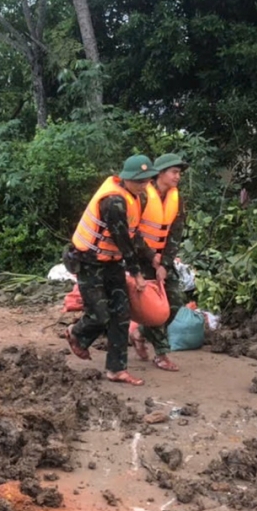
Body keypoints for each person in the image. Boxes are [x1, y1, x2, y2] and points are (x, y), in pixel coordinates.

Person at [64, 155, 157, 386]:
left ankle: (116, 369)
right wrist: (136, 274)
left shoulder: (138, 198)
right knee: (100, 314)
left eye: (146, 180)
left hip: (112, 262)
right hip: (89, 261)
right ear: (125, 178)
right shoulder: (114, 201)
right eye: (138, 181)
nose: (143, 185)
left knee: (121, 314)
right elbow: (123, 239)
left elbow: (133, 235)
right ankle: (77, 333)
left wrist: (151, 257)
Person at [130, 153, 189, 372]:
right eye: (174, 172)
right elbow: (132, 231)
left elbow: (175, 233)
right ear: (161, 173)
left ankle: (139, 333)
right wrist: (150, 257)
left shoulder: (177, 198)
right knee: (153, 307)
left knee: (175, 301)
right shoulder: (142, 195)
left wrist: (164, 263)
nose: (178, 177)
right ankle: (162, 355)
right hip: (140, 259)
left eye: (179, 173)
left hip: (162, 260)